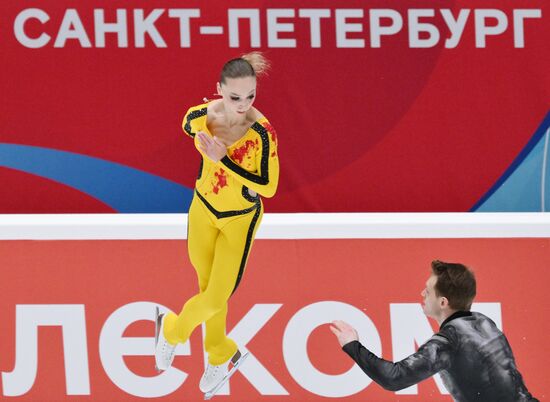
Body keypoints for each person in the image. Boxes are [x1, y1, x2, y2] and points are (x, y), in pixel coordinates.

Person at [154, 52, 279, 394]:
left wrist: (223, 162)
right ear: (219, 91)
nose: (243, 104)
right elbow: (186, 125)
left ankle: (172, 330)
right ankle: (220, 352)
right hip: (202, 211)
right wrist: (200, 144)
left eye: (250, 96)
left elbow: (269, 186)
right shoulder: (202, 115)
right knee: (208, 289)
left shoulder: (262, 133)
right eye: (235, 97)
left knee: (212, 298)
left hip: (239, 221)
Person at [330, 260, 538, 401]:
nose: (422, 293)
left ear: (443, 302)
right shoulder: (485, 322)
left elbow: (393, 378)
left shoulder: (449, 341)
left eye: (428, 291)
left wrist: (352, 345)